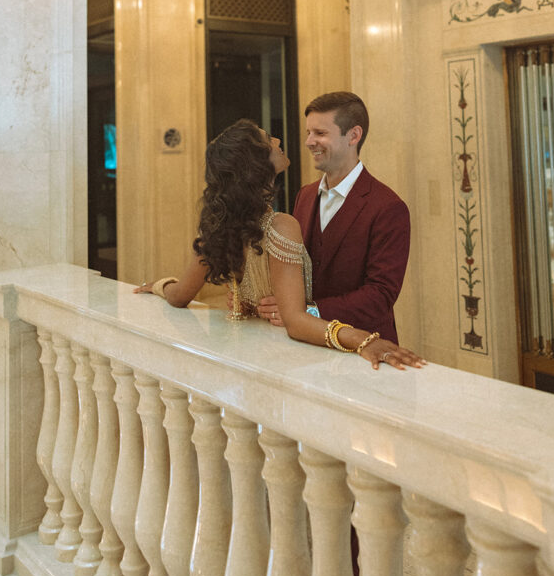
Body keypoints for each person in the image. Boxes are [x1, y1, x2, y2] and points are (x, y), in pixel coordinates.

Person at [135, 118, 424, 371]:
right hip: (285, 358)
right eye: (267, 140)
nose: (277, 140)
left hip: (248, 349)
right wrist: (364, 340)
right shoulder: (279, 226)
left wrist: (158, 286)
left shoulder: (220, 226)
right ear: (255, 162)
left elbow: (179, 296)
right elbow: (296, 322)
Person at [255, 92, 410, 344]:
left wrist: (308, 312)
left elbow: (380, 295)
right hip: (307, 344)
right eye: (308, 133)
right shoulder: (304, 196)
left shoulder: (388, 207)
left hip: (365, 349)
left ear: (354, 136)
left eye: (320, 133)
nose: (309, 141)